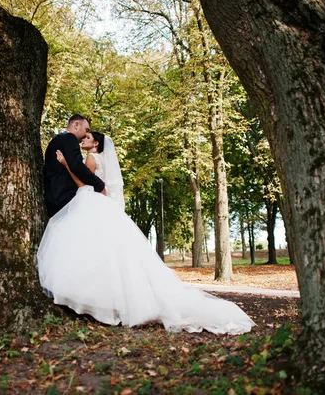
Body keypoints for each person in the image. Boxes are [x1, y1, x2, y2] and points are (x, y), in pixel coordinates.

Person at [38, 128, 255, 335]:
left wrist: (67, 165)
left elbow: (84, 185)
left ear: (96, 143)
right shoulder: (103, 159)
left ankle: (98, 301)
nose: (83, 140)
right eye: (83, 137)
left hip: (92, 202)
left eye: (88, 138)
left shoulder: (92, 159)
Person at [43, 114, 105, 218]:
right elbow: (76, 166)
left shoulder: (57, 139)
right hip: (64, 196)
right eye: (86, 130)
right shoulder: (69, 138)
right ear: (76, 125)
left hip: (54, 196)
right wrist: (99, 185)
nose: (86, 135)